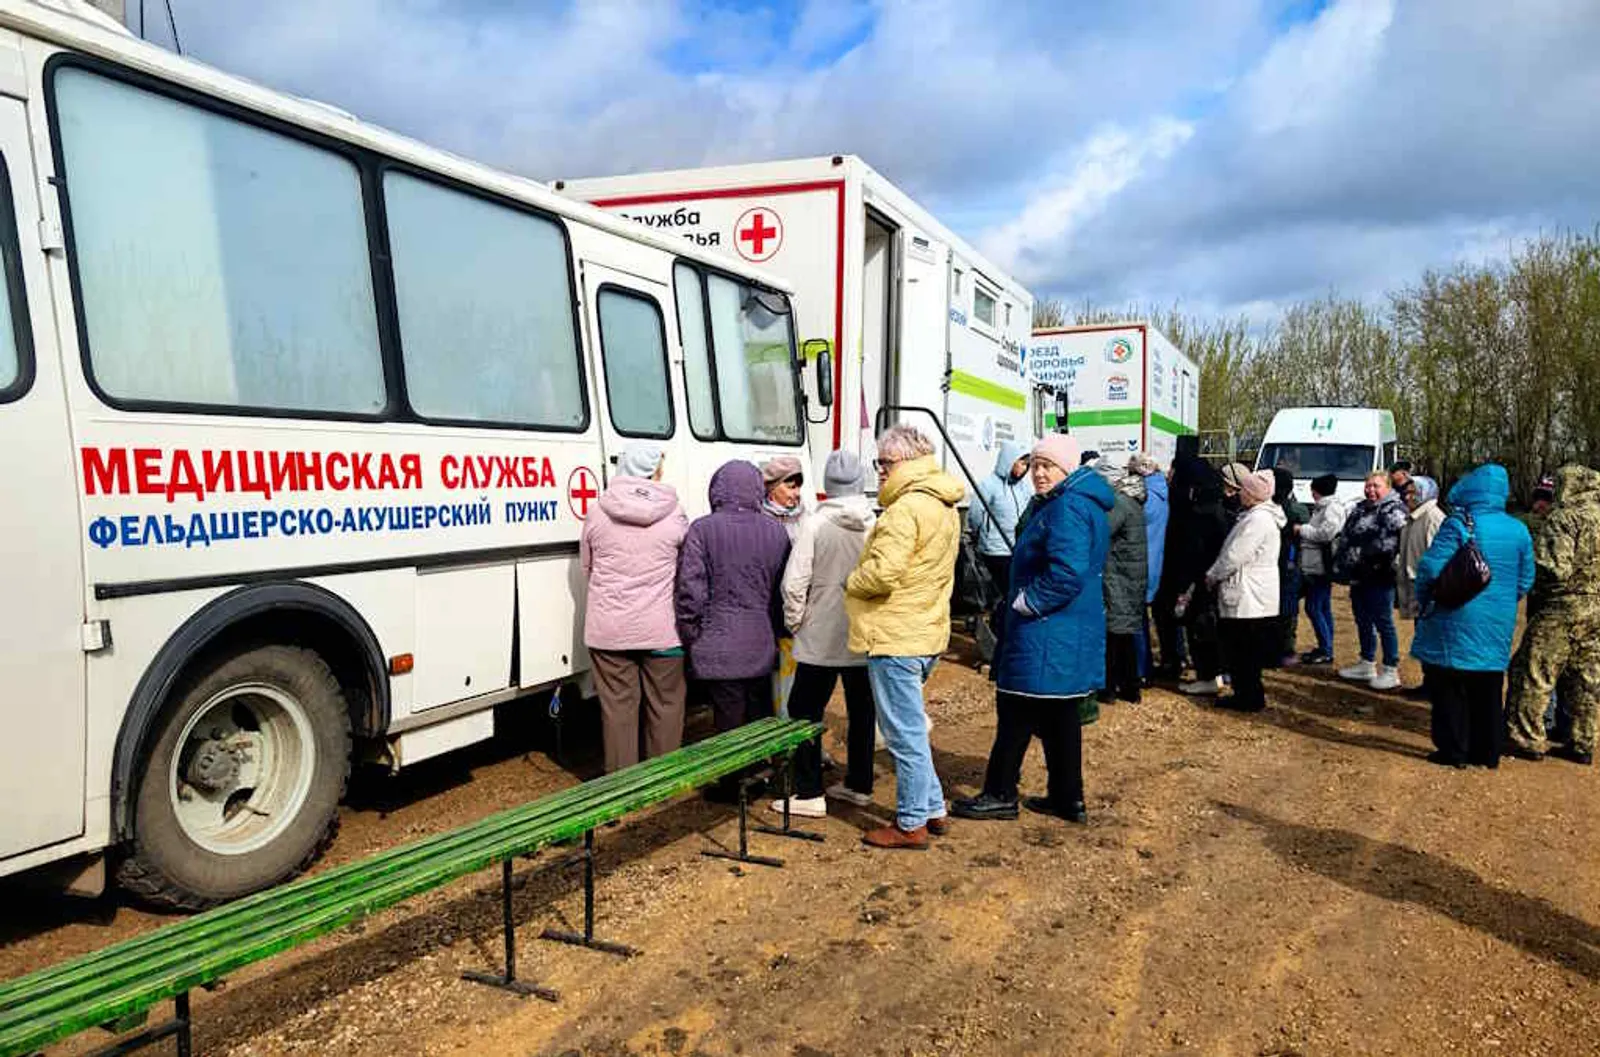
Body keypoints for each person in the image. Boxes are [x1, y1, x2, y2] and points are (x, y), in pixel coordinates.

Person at [952, 432, 1112, 824]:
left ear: (1067, 469)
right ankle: (1067, 797)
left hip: (1046, 630)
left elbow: (1067, 573)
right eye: (1036, 465)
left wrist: (1028, 601)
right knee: (1061, 717)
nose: (1039, 474)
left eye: (1048, 466)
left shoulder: (1066, 508)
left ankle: (1000, 792)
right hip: (1064, 631)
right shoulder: (1078, 502)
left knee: (1015, 710)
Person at [845, 425, 964, 849]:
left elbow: (882, 573)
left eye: (886, 463)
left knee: (903, 735)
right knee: (912, 729)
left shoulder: (904, 509)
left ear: (908, 463)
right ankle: (932, 808)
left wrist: (852, 581)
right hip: (926, 630)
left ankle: (910, 822)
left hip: (896, 636)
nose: (880, 471)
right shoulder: (942, 503)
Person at [772, 451, 877, 819]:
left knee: (804, 710)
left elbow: (794, 582)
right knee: (863, 710)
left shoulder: (814, 525)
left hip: (819, 637)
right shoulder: (874, 524)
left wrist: (796, 621)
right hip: (863, 635)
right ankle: (860, 784)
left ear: (827, 486)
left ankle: (809, 790)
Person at [1412, 464, 1534, 768]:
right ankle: (1487, 752)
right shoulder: (1519, 529)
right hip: (1497, 622)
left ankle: (1454, 751)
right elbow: (1526, 579)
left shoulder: (1459, 524)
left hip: (1454, 616)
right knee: (1489, 688)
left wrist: (1426, 597)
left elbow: (1429, 568)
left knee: (1449, 686)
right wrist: (1504, 602)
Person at [581, 443, 690, 773]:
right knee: (667, 704)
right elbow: (685, 568)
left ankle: (621, 788)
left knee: (617, 709)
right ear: (654, 470)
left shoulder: (597, 511)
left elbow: (588, 567)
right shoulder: (675, 512)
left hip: (609, 631)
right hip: (663, 630)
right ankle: (662, 783)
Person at [676, 461, 792, 753]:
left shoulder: (701, 530)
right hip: (761, 641)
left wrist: (690, 633)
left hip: (716, 645)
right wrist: (779, 632)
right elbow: (782, 592)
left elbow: (691, 591)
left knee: (727, 719)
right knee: (759, 711)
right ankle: (759, 771)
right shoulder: (776, 532)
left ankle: (733, 785)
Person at [1505, 465, 1600, 764]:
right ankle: (1583, 743)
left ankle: (1527, 738)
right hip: (1596, 608)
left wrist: (1530, 576)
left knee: (1533, 668)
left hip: (1563, 606)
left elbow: (1555, 569)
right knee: (1587, 677)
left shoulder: (1564, 517)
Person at [1204, 470, 1284, 711]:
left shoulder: (1257, 521)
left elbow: (1234, 556)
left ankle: (1247, 696)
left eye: (1244, 491)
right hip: (1255, 592)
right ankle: (1248, 693)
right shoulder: (1259, 517)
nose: (1240, 495)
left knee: (1243, 650)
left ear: (1251, 495)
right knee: (1246, 650)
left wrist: (1213, 575)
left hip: (1248, 594)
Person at [1156, 456, 1229, 692]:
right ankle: (1212, 674)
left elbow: (1190, 549)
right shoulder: (1212, 504)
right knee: (1206, 626)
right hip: (1206, 577)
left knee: (1200, 628)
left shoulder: (1195, 511)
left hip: (1196, 578)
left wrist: (1184, 583)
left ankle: (1207, 676)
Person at [1333, 471, 1409, 690]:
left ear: (1387, 487)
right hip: (1358, 574)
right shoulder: (1360, 508)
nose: (1371, 490)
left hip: (1380, 576)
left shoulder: (1394, 510)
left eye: (1376, 486)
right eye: (1368, 485)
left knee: (1383, 621)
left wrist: (1381, 562)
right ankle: (1366, 662)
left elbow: (1399, 542)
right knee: (1362, 619)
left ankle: (1390, 668)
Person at [968, 440, 1033, 655]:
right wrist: (982, 535)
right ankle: (997, 636)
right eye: (1020, 463)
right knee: (1005, 594)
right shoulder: (988, 486)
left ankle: (1004, 636)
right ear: (1009, 461)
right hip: (996, 550)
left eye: (1026, 465)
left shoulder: (1024, 488)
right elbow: (975, 516)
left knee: (1012, 594)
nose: (1023, 469)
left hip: (1018, 549)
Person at [1098, 460, 1148, 703]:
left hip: (1118, 577)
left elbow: (1101, 532)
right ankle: (1131, 688)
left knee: (1112, 636)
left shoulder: (1118, 503)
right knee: (1125, 636)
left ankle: (1108, 689)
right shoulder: (1134, 501)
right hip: (1130, 577)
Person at [762, 456, 807, 719]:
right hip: (766, 614)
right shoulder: (759, 518)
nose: (796, 494)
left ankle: (792, 736)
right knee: (769, 683)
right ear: (771, 487)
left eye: (798, 486)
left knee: (792, 681)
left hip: (794, 614)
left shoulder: (806, 519)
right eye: (790, 486)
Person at [1395, 475, 1447, 697]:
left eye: (1413, 492)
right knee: (1423, 636)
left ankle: (1437, 685)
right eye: (1406, 493)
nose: (1408, 497)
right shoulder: (1414, 518)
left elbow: (1440, 557)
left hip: (1430, 590)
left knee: (1433, 637)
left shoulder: (1433, 518)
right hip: (1417, 587)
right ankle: (1430, 682)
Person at [1295, 473, 1347, 664]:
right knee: (1323, 607)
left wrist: (1303, 530)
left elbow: (1327, 534)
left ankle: (1326, 649)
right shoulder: (1326, 507)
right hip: (1317, 565)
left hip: (1320, 566)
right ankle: (1326, 646)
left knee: (1314, 607)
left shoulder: (1330, 509)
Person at [1128, 453, 1169, 678]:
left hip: (1141, 563)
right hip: (1156, 562)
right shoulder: (1163, 491)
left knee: (1136, 619)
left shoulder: (1144, 499)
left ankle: (1141, 669)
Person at [1271, 466, 1309, 666]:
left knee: (1285, 609)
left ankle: (1284, 649)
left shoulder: (1290, 510)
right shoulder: (1298, 508)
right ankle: (1283, 649)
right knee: (1286, 610)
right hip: (1287, 565)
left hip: (1286, 565)